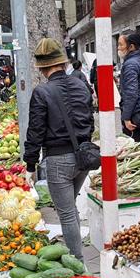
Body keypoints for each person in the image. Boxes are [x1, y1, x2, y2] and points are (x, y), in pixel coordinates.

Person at [23, 38, 94, 261]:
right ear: (62, 63)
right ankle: (73, 248)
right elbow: (90, 120)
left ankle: (77, 263)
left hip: (58, 161)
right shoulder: (81, 85)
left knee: (67, 213)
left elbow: (35, 131)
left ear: (43, 67)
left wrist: (30, 163)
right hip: (83, 158)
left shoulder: (42, 92)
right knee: (69, 208)